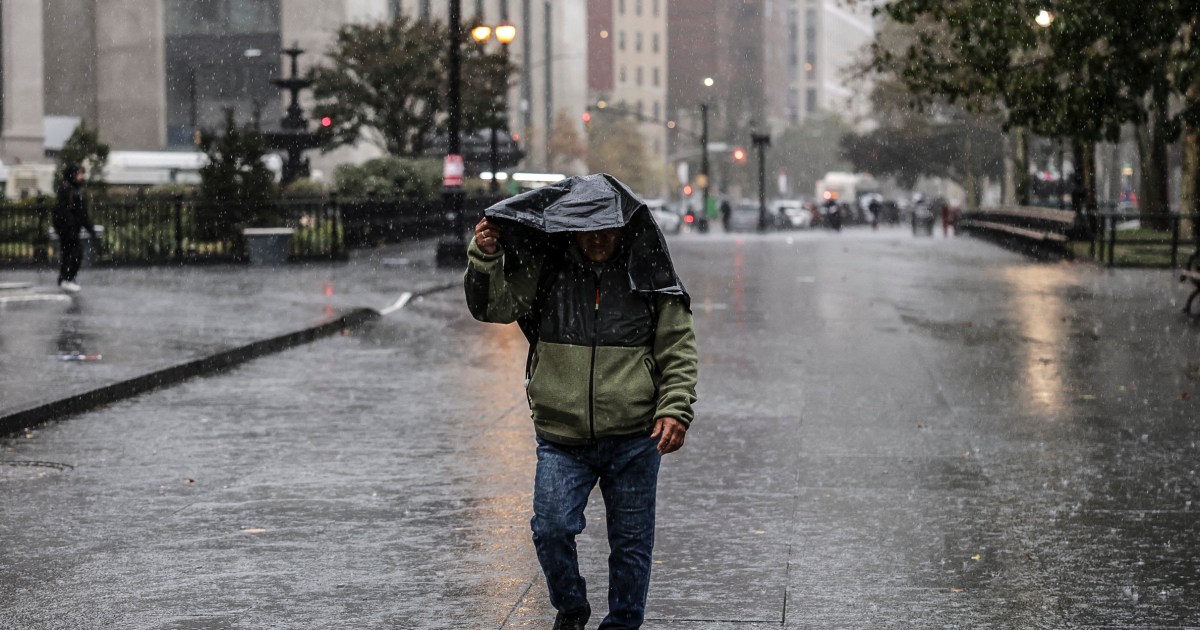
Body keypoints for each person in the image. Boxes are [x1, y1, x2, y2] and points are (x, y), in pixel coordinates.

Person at [465, 214, 698, 630]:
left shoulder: (648, 270)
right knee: (551, 528)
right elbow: (493, 307)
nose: (598, 240)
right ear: (572, 229)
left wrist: (674, 408)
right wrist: (486, 257)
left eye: (608, 230)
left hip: (634, 434)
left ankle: (622, 625)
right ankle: (571, 607)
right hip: (562, 435)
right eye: (589, 230)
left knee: (631, 544)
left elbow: (677, 345)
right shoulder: (548, 266)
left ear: (624, 230)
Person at [52, 165, 96, 292]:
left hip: (70, 229)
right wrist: (68, 227)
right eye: (79, 174)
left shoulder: (72, 189)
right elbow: (65, 211)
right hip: (68, 229)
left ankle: (65, 279)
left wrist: (88, 228)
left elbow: (81, 214)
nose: (81, 176)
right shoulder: (68, 189)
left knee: (70, 254)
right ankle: (67, 278)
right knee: (74, 254)